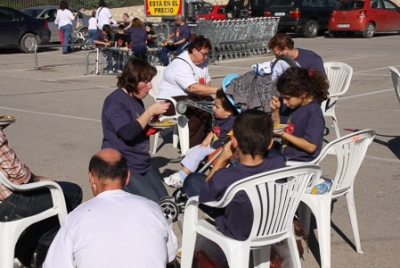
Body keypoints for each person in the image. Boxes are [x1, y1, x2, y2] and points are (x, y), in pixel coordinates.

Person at [43, 148, 178, 268]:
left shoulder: (75, 218)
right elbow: (170, 258)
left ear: (91, 178)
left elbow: (54, 264)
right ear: (127, 177)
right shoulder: (153, 209)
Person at [183, 109, 286, 240]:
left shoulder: (225, 176)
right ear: (270, 143)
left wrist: (221, 159)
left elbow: (204, 196)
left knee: (192, 181)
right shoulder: (279, 164)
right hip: (271, 225)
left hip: (239, 231)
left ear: (234, 141)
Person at [0, 123, 82, 267]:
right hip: (9, 203)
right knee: (73, 192)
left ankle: (27, 248)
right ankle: (39, 252)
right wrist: (36, 178)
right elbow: (19, 174)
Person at [101, 58, 170, 203]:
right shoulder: (115, 103)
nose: (150, 86)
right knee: (151, 204)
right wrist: (150, 111)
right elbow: (127, 133)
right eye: (146, 82)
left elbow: (139, 126)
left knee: (166, 201)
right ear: (132, 81)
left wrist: (153, 125)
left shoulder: (135, 98)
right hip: (124, 164)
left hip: (141, 162)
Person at [163, 86, 239, 187]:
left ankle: (181, 177)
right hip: (213, 146)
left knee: (197, 153)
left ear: (229, 112)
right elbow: (214, 131)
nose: (213, 108)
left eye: (217, 107)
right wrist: (204, 143)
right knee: (191, 151)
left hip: (220, 150)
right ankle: (188, 172)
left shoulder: (232, 122)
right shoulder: (221, 118)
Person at [159, 35, 220, 148]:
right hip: (170, 101)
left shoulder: (201, 63)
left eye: (207, 54)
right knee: (200, 111)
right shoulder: (180, 64)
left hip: (190, 96)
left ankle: (208, 143)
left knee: (217, 107)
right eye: (204, 54)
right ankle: (190, 149)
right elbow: (193, 87)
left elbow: (206, 86)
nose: (206, 57)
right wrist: (220, 90)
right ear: (194, 50)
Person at [270, 67, 329, 162]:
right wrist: (275, 110)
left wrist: (284, 135)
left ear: (303, 94)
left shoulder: (314, 113)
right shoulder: (292, 106)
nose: (284, 102)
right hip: (286, 157)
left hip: (301, 162)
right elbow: (277, 127)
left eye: (287, 98)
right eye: (283, 97)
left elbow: (311, 146)